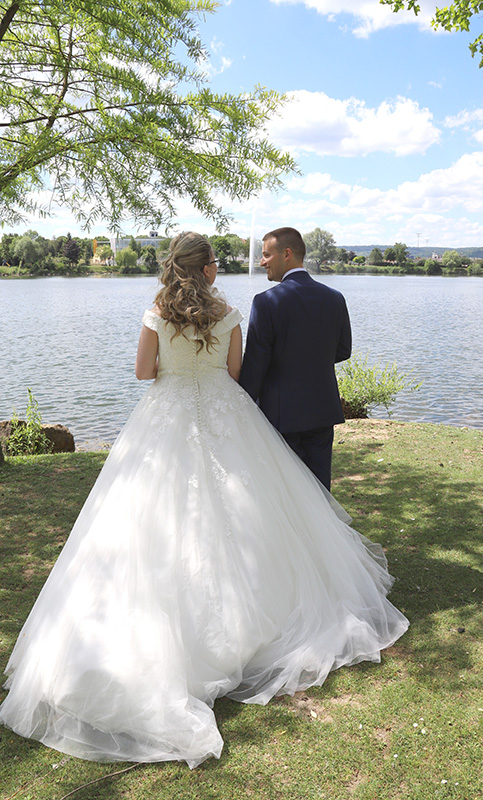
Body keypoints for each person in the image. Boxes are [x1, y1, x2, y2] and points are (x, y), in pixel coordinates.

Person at [0, 232, 408, 769]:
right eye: (216, 262)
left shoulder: (156, 312)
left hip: (164, 416)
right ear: (208, 270)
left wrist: (175, 366)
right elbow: (238, 375)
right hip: (224, 412)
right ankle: (259, 616)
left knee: (147, 514)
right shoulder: (232, 313)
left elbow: (144, 373)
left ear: (175, 268)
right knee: (248, 506)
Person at [240, 227, 351, 490]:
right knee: (320, 489)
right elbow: (343, 350)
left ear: (287, 254)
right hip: (322, 410)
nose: (262, 262)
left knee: (288, 492)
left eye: (267, 255)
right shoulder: (334, 298)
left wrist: (241, 405)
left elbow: (256, 365)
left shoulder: (266, 302)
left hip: (281, 415)